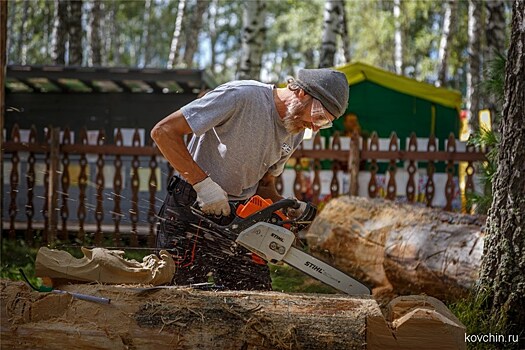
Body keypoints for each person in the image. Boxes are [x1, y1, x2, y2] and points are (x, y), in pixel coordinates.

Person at [151, 68, 349, 290]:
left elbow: (264, 184)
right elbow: (164, 132)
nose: (315, 126)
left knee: (255, 298)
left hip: (242, 219)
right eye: (319, 116)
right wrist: (203, 184)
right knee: (177, 296)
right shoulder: (242, 96)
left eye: (324, 123)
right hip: (193, 208)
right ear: (302, 93)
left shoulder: (295, 130)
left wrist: (284, 208)